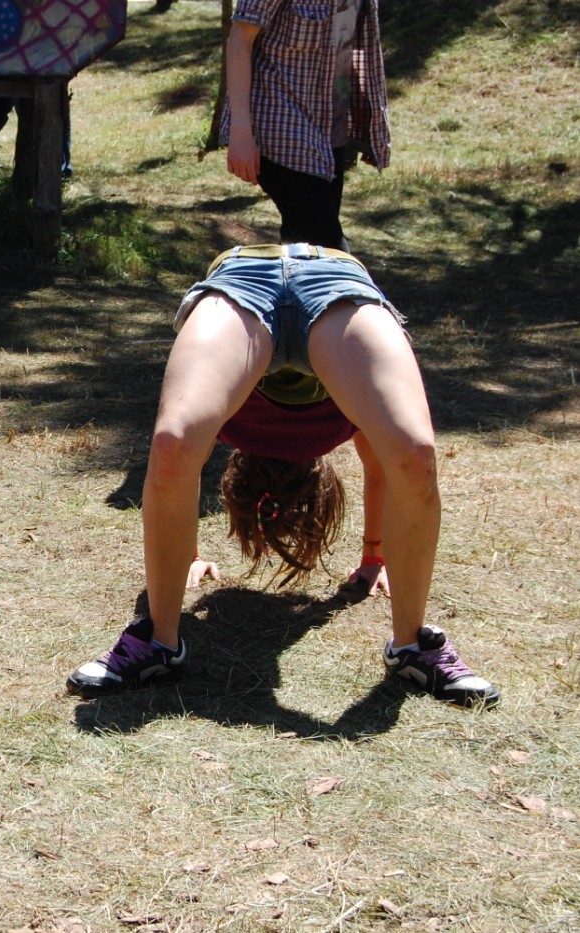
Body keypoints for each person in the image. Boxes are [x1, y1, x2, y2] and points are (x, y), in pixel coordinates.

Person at [67, 243, 500, 709]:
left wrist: (376, 557)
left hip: (307, 277)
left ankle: (411, 646)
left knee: (415, 454)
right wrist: (372, 556)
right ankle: (159, 643)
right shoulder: (324, 417)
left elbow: (388, 466)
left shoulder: (254, 422)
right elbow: (183, 460)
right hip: (258, 278)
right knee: (173, 442)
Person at [222, 0, 389, 251]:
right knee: (329, 251)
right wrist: (241, 132)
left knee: (304, 249)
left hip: (329, 133)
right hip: (279, 127)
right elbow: (240, 39)